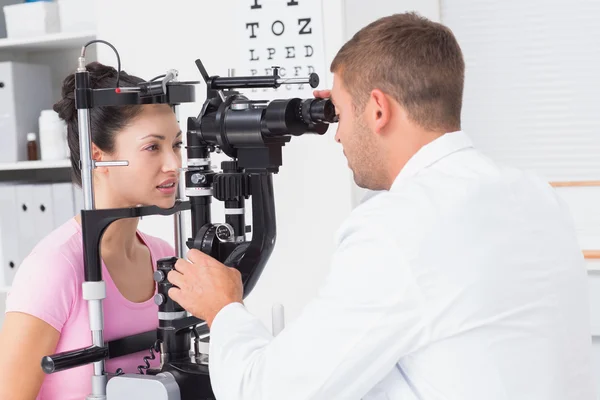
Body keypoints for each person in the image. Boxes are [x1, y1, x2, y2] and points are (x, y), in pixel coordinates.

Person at [166, 12, 597, 400]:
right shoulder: (537, 195)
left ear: (377, 109)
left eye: (341, 115)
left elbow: (264, 392)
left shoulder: (399, 227)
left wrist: (223, 310)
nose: (337, 136)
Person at [0, 62, 183, 400]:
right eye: (153, 147)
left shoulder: (163, 256)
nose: (174, 164)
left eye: (177, 145)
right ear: (97, 155)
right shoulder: (55, 268)